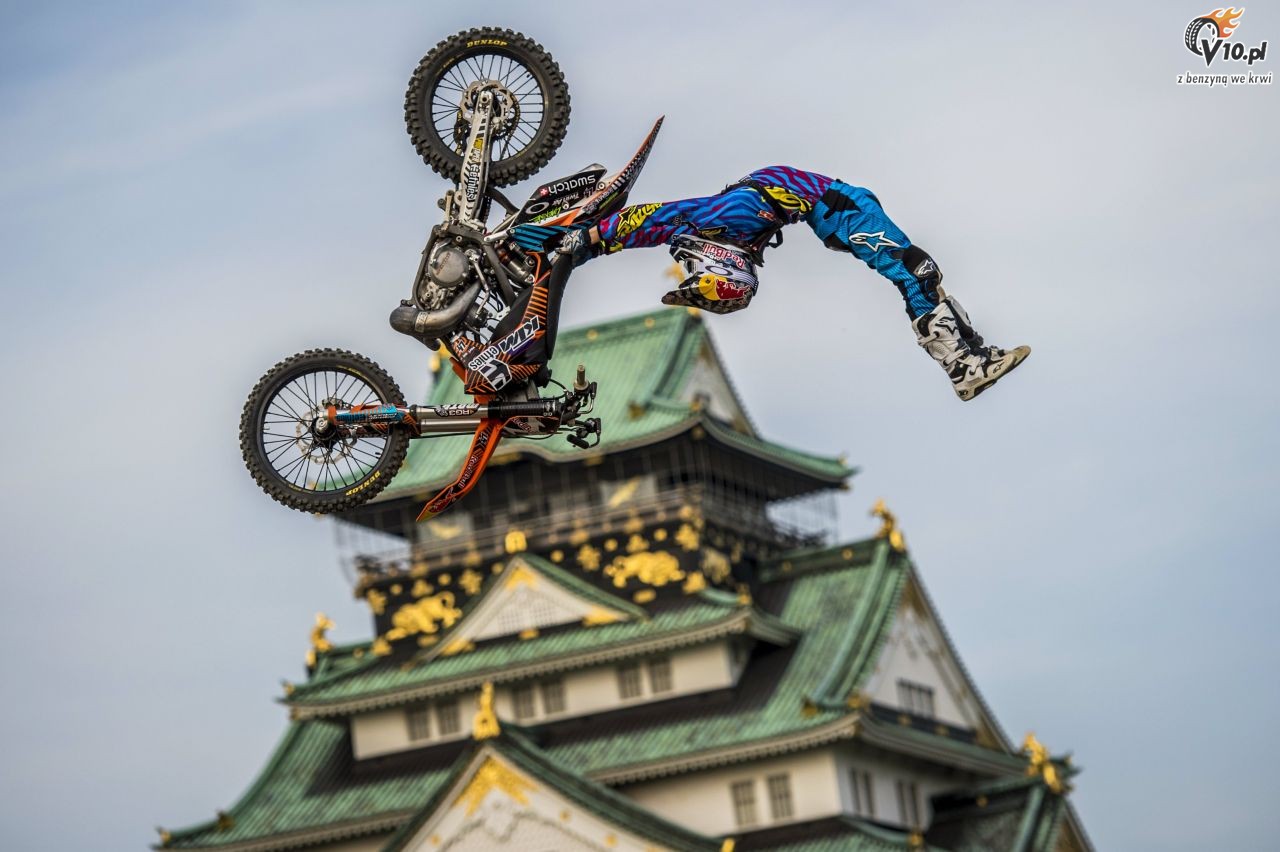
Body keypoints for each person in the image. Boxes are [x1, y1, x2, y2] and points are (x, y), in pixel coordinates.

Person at [511, 165, 1029, 401]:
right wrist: (589, 243)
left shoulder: (725, 218)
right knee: (917, 272)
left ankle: (968, 359)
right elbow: (655, 223)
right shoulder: (734, 226)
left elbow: (654, 218)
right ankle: (964, 365)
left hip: (834, 205)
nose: (753, 266)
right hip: (832, 206)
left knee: (917, 272)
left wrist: (588, 239)